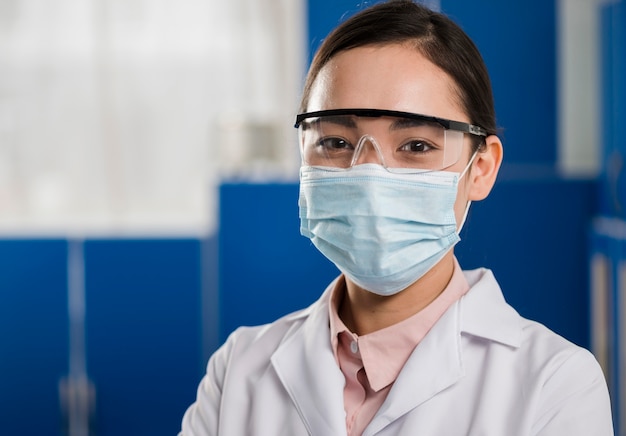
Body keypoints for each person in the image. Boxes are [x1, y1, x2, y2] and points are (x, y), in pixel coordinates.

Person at [180, 1, 613, 434]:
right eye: (334, 142)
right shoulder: (239, 369)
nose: (369, 174)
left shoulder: (556, 385)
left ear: (480, 169)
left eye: (416, 146)